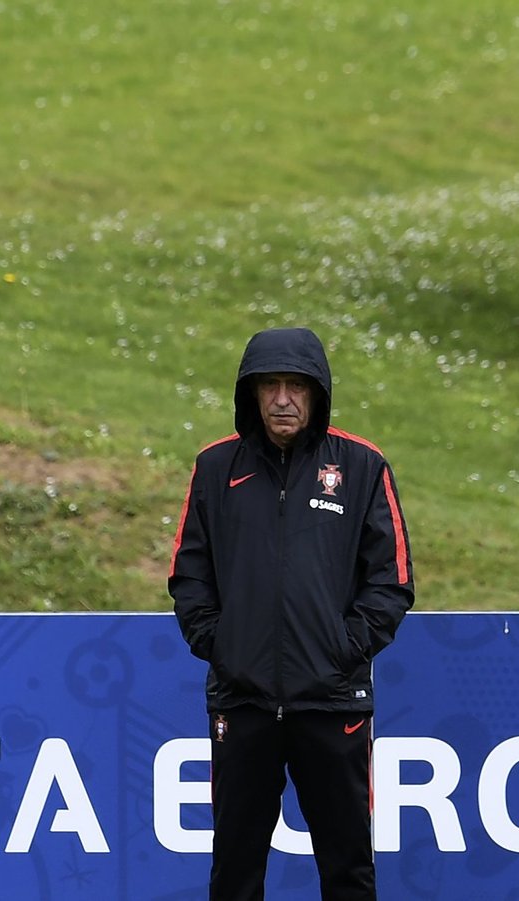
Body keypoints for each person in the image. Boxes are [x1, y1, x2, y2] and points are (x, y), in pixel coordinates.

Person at [169, 326, 415, 901]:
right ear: (250, 394)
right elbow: (188, 575)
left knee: (349, 871)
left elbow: (393, 580)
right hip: (243, 702)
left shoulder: (361, 467)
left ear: (318, 393)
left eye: (297, 386)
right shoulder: (214, 469)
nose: (283, 399)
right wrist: (224, 646)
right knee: (234, 872)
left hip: (332, 705)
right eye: (270, 385)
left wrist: (340, 651)